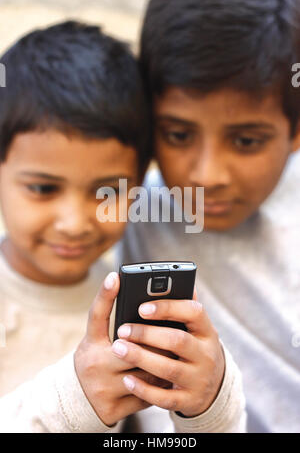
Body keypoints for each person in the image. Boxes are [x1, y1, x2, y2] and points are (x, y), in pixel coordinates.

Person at [0, 21, 245, 433]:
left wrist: (208, 404)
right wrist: (72, 404)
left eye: (106, 192)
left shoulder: (130, 310)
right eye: (43, 188)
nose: (74, 223)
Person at [120, 0, 300, 433]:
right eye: (178, 135)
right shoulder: (137, 205)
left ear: (295, 130)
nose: (206, 175)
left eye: (246, 141)